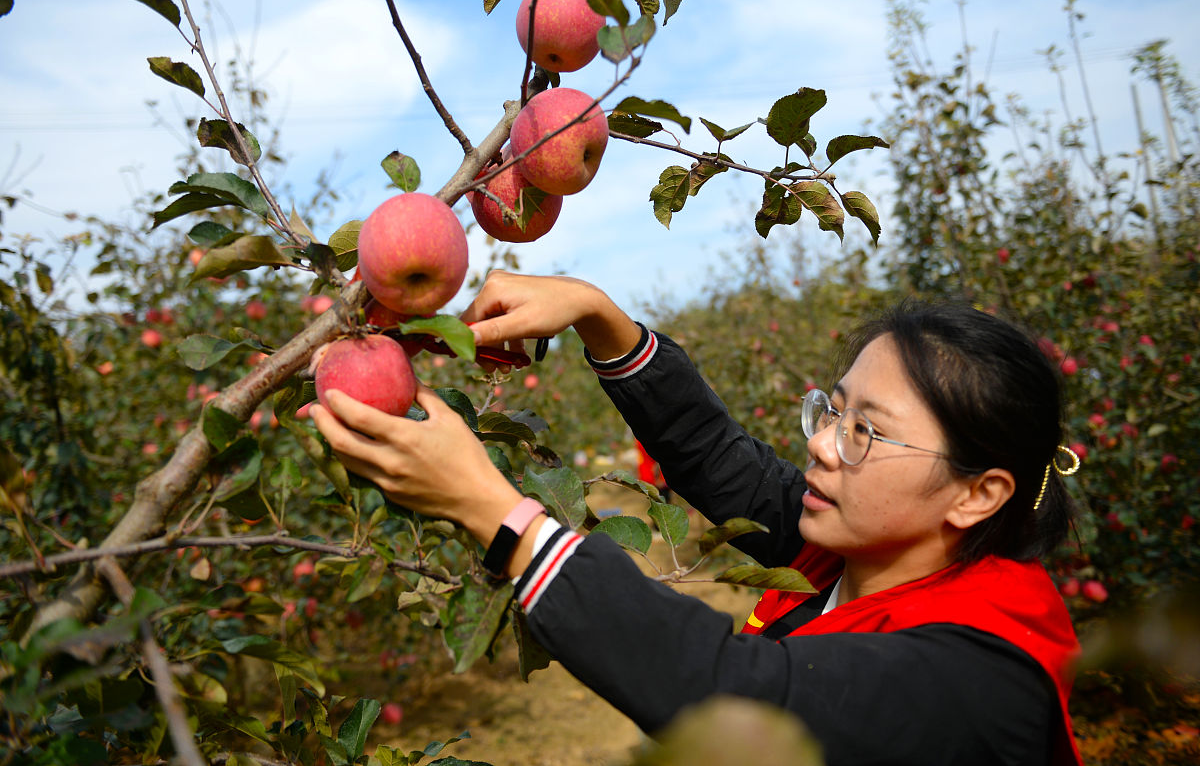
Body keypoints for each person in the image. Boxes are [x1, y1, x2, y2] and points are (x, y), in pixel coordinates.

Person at [311, 270, 1085, 766]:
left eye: (864, 433)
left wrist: (494, 512)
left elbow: (737, 692)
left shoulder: (983, 684)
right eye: (832, 409)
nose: (819, 443)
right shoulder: (854, 556)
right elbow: (718, 455)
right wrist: (596, 313)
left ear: (977, 493)